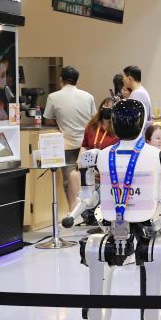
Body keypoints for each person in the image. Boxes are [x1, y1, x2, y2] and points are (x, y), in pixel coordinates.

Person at [43, 66, 97, 209]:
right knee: (88, 181)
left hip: (67, 145)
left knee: (68, 182)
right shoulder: (88, 96)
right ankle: (88, 213)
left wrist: (60, 121)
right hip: (87, 146)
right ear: (77, 80)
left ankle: (73, 212)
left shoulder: (53, 97)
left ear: (61, 79)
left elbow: (48, 120)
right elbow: (94, 119)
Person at [69, 97, 119, 225]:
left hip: (108, 166)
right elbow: (85, 145)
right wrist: (79, 161)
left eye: (111, 108)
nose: (107, 109)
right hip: (89, 163)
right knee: (74, 175)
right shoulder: (91, 126)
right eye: (105, 106)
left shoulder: (117, 130)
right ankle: (75, 213)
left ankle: (97, 213)